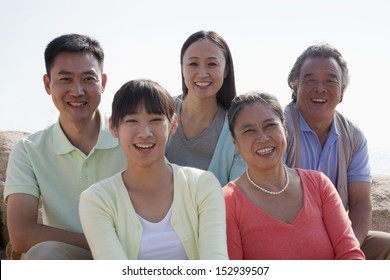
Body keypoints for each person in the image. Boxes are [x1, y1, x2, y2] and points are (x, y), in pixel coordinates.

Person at [3, 34, 127, 259]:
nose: (77, 91)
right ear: (48, 84)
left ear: (104, 83)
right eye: (65, 79)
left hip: (130, 257)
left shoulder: (131, 140)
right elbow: (20, 234)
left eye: (89, 78)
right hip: (70, 257)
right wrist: (104, 243)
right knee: (44, 253)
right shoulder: (29, 150)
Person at [79, 79, 228, 260]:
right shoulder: (97, 200)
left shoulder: (202, 185)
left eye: (156, 120)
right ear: (113, 127)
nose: (144, 133)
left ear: (173, 124)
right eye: (132, 121)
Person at [223, 91, 364, 260]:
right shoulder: (227, 202)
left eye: (270, 126)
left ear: (285, 128)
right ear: (235, 142)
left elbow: (350, 254)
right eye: (249, 131)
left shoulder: (319, 184)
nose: (262, 138)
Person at [284, 43, 390, 260]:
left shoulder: (354, 136)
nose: (320, 88)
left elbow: (360, 203)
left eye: (331, 81)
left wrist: (347, 250)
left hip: (338, 239)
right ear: (295, 86)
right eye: (311, 80)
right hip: (288, 240)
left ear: (342, 91)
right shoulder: (279, 128)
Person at [165, 30, 246, 186]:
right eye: (193, 64)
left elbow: (238, 192)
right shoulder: (160, 110)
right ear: (182, 68)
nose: (202, 73)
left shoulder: (236, 127)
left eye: (212, 64)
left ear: (226, 70)